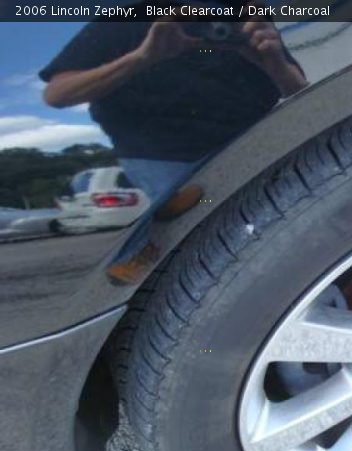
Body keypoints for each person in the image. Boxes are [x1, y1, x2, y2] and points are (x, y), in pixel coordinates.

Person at [40, 9, 308, 282]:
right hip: (162, 154)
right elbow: (57, 94)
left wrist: (272, 61)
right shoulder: (123, 22)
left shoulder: (244, 17)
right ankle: (154, 263)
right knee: (209, 224)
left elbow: (300, 90)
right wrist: (143, 57)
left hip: (254, 141)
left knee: (285, 220)